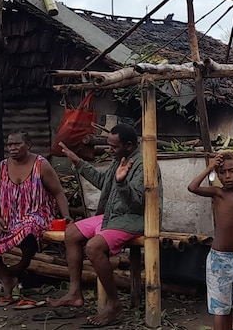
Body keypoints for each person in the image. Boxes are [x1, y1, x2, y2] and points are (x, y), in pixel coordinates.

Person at [50, 123, 160, 327]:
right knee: (71, 232)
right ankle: (75, 293)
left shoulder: (144, 164)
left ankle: (114, 305)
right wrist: (79, 163)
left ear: (128, 145)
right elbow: (104, 182)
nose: (109, 150)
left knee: (93, 247)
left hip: (133, 219)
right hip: (112, 215)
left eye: (114, 147)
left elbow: (137, 203)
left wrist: (121, 183)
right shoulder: (119, 159)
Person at [0, 131, 72, 309]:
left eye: (17, 144)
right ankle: (7, 280)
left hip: (36, 213)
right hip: (8, 215)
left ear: (28, 145)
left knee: (27, 228)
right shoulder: (2, 167)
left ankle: (22, 264)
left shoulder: (41, 165)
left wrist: (66, 216)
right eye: (10, 145)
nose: (12, 148)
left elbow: (58, 192)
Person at [187, 150, 233, 330]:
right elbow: (192, 187)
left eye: (232, 171)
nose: (227, 176)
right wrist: (209, 168)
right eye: (222, 172)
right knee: (219, 309)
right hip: (219, 260)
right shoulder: (218, 193)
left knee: (230, 306)